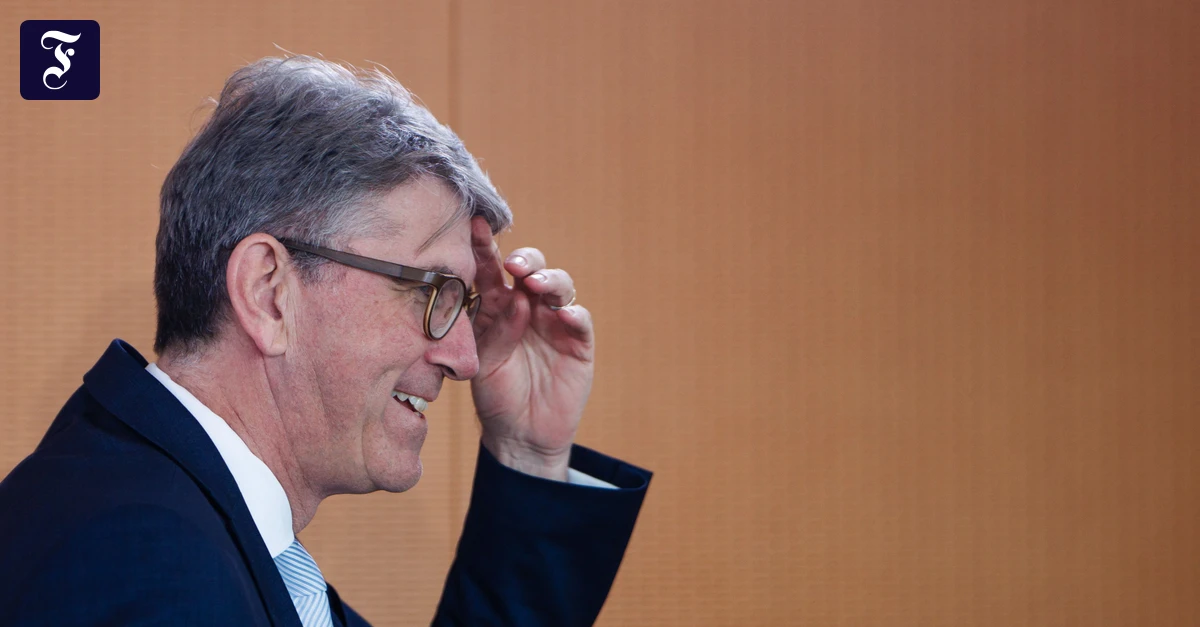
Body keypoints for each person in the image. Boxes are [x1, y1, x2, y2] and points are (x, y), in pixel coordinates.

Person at [0, 55, 651, 626]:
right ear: (268, 291)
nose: (465, 358)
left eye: (464, 305)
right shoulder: (141, 559)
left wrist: (528, 454)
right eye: (431, 292)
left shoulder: (165, 519)